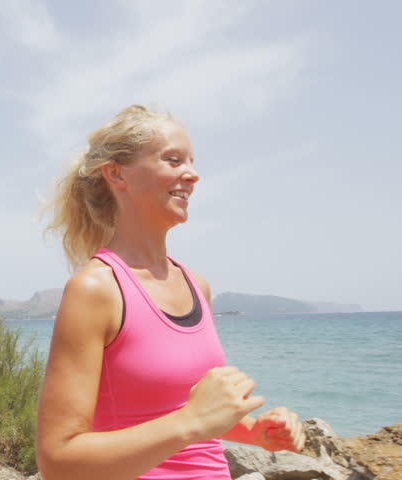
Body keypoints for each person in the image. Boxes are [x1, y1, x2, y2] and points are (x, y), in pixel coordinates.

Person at [36, 105, 305, 479]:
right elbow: (58, 460)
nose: (192, 174)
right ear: (117, 174)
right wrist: (191, 422)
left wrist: (255, 432)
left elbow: (182, 410)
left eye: (192, 162)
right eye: (173, 160)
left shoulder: (197, 286)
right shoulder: (96, 290)